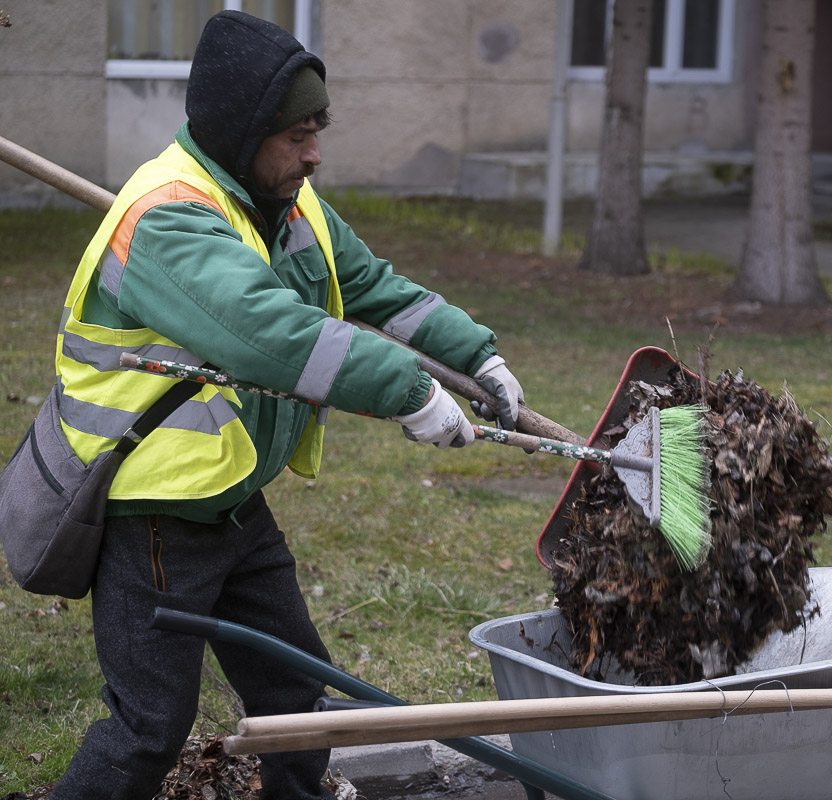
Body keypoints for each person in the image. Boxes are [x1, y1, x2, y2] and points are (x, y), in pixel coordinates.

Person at [47, 10, 523, 800]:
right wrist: (408, 391)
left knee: (296, 699)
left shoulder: (288, 204)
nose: (315, 152)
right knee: (148, 729)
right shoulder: (165, 218)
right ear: (240, 132)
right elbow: (274, 337)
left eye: (318, 128)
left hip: (230, 503)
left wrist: (474, 351)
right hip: (154, 516)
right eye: (296, 134)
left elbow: (371, 286)